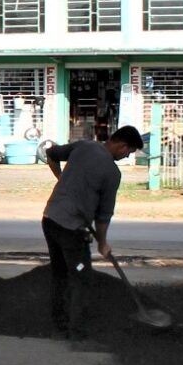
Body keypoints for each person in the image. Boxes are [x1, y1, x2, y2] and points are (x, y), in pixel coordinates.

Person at [39, 124, 147, 335]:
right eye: (129, 153)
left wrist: (61, 178)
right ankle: (76, 330)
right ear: (122, 146)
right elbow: (104, 216)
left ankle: (58, 322)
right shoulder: (112, 173)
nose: (126, 157)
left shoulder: (84, 146)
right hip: (70, 231)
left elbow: (50, 153)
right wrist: (103, 243)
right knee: (81, 274)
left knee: (60, 273)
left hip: (50, 220)